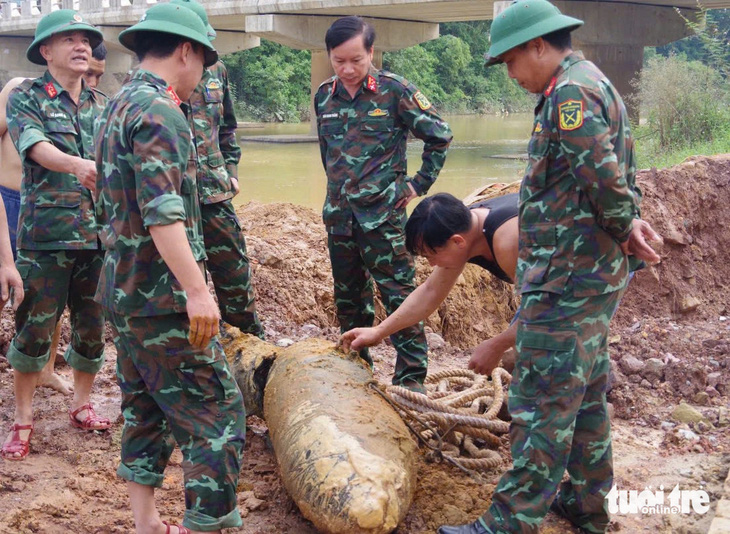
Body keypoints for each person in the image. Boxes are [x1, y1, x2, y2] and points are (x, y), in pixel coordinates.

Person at [437, 1, 662, 533]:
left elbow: (601, 175)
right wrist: (626, 224)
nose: (512, 75)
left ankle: (508, 522)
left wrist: (627, 223)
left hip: (567, 278)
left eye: (512, 61)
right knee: (583, 397)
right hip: (588, 275)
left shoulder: (569, 94)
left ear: (539, 45)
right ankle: (586, 505)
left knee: (539, 402)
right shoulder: (590, 82)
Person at [95, 4, 246, 533]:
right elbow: (164, 215)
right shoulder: (161, 111)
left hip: (124, 291)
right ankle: (212, 524)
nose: (203, 69)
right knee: (217, 416)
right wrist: (198, 290)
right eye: (202, 56)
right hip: (164, 300)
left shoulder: (115, 106)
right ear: (185, 49)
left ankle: (146, 524)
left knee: (144, 406)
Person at [315, 16, 453, 392]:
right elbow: (329, 157)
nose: (347, 69)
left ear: (371, 53)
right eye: (339, 60)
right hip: (340, 221)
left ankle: (411, 382)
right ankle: (355, 374)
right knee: (349, 301)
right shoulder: (324, 96)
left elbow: (439, 136)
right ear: (329, 55)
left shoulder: (395, 91)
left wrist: (417, 184)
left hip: (383, 220)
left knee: (399, 298)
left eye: (356, 60)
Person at [2, 10, 111, 462]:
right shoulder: (26, 97)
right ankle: (22, 419)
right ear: (46, 51)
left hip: (97, 240)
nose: (81, 46)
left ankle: (81, 405)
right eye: (69, 40)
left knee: (91, 328)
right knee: (33, 331)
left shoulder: (102, 105)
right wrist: (77, 165)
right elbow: (34, 146)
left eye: (85, 39)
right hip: (44, 238)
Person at [340, 192, 520, 374]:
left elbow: (545, 309)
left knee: (531, 351)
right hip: (541, 293)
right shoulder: (462, 228)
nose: (432, 264)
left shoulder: (509, 242)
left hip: (546, 295)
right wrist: (379, 331)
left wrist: (497, 345)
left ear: (458, 241)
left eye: (430, 255)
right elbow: (430, 291)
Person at [171, 0, 265, 339]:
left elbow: (227, 127)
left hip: (215, 193)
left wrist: (232, 170)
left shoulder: (217, 72)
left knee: (236, 280)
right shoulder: (155, 82)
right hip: (175, 202)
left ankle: (253, 349)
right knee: (184, 286)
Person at [1, 77, 74, 396]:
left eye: (98, 75)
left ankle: (45, 370)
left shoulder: (83, 102)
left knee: (50, 290)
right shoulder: (19, 88)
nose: (92, 79)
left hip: (49, 206)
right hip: (8, 199)